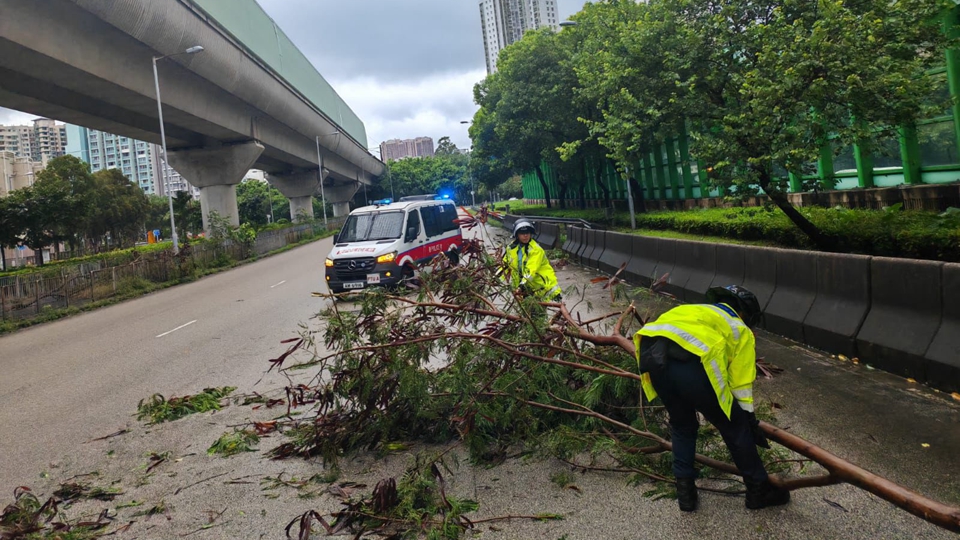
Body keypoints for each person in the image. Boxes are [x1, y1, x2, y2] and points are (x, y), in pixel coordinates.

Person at [633, 285, 790, 512]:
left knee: (682, 426)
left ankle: (686, 495)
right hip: (691, 366)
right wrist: (748, 420)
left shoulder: (693, 310)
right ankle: (759, 491)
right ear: (745, 313)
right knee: (734, 426)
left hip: (653, 359)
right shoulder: (739, 328)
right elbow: (741, 384)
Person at [502, 220, 561, 301]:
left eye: (527, 233)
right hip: (526, 289)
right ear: (517, 234)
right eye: (522, 233)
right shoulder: (511, 248)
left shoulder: (536, 250)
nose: (525, 235)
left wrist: (521, 286)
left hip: (544, 288)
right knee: (526, 308)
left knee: (541, 309)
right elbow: (505, 266)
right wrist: (495, 278)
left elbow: (531, 270)